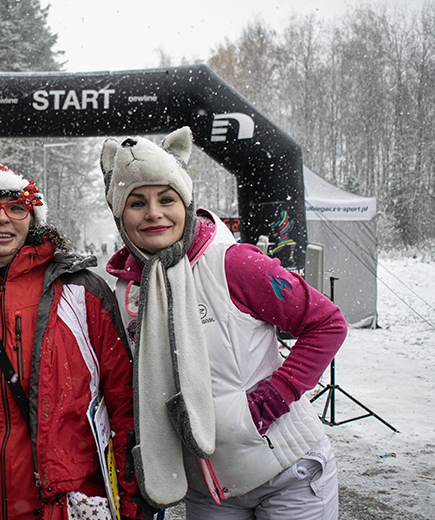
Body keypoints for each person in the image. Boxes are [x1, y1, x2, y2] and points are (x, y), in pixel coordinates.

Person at [100, 128, 348, 519]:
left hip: (287, 473)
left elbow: (327, 323)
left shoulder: (233, 263)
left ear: (186, 202)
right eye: (136, 202)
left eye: (167, 198)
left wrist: (275, 396)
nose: (153, 213)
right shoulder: (123, 291)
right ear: (119, 214)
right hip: (206, 489)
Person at [0, 164, 139, 520]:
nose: (3, 219)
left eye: (16, 208)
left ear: (33, 219)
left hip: (62, 505)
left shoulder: (80, 292)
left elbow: (123, 402)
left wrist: (132, 498)